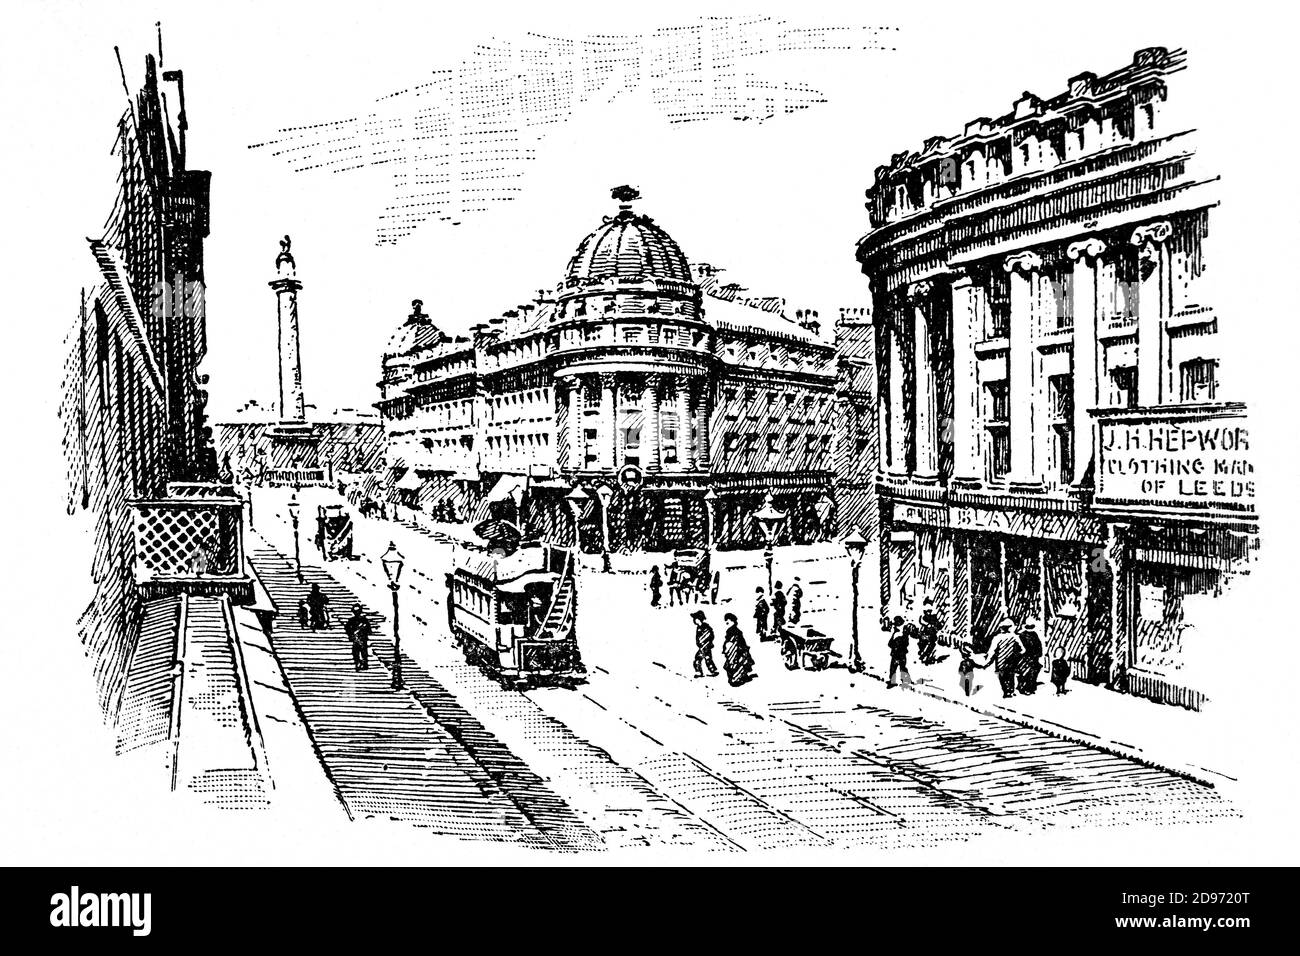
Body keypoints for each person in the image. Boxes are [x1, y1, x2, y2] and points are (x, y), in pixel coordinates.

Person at [990, 619, 1023, 698]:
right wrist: (1017, 655)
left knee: (1002, 676)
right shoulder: (1015, 636)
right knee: (1010, 675)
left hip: (1000, 660)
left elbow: (992, 650)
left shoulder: (997, 637)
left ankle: (1006, 691)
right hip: (1011, 660)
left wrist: (988, 659)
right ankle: (1010, 691)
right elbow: (1022, 649)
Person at [721, 613, 755, 687]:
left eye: (728, 620)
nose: (726, 622)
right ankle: (738, 678)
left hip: (737, 652)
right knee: (734, 665)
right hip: (734, 652)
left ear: (733, 621)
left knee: (737, 665)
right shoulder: (730, 631)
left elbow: (736, 642)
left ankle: (737, 679)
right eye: (726, 620)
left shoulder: (736, 631)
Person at [1017, 619, 1043, 695]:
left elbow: (1039, 646)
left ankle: (1028, 687)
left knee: (1030, 672)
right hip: (1026, 657)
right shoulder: (1023, 635)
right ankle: (1025, 687)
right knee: (1027, 672)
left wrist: (1038, 654)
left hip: (1031, 657)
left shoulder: (1033, 634)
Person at [887, 617, 913, 688]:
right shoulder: (905, 633)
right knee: (902, 667)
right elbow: (906, 643)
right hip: (902, 653)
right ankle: (906, 680)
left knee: (893, 667)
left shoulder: (897, 633)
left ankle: (892, 681)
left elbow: (890, 644)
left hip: (896, 654)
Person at [344, 604, 372, 671]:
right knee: (355, 652)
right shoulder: (351, 620)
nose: (356, 613)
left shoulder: (364, 620)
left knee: (363, 652)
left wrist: (364, 632)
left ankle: (364, 663)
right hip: (356, 639)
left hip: (362, 638)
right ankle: (358, 663)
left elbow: (369, 630)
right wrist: (351, 635)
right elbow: (347, 629)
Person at [691, 610, 718, 678]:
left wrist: (704, 645)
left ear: (699, 619)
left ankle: (701, 672)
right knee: (706, 659)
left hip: (705, 647)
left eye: (695, 618)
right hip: (703, 647)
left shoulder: (706, 627)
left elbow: (709, 636)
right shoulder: (699, 627)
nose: (694, 620)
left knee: (700, 659)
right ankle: (712, 671)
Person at [918, 598, 942, 664]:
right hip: (925, 634)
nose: (928, 612)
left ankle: (926, 656)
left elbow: (938, 624)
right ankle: (923, 654)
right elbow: (921, 622)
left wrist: (936, 626)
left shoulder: (934, 617)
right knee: (924, 643)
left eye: (929, 611)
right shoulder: (924, 616)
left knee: (931, 644)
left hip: (931, 634)